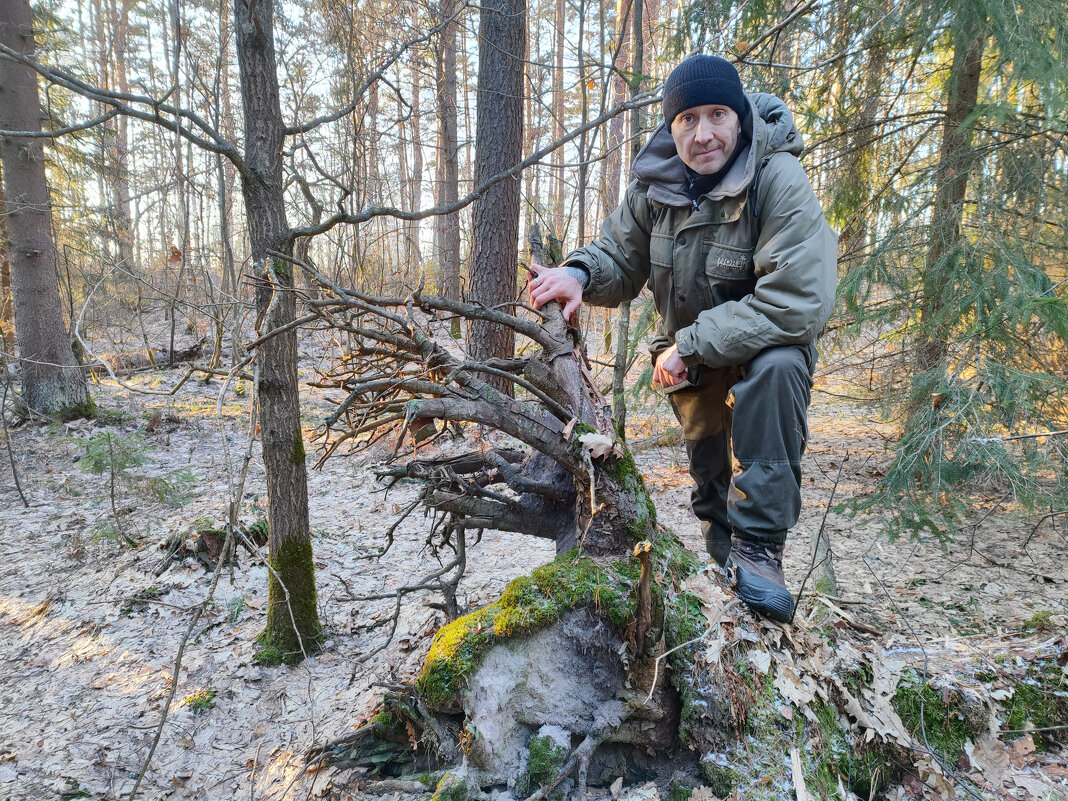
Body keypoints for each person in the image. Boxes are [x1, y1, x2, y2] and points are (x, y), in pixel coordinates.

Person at [528, 55, 837, 623]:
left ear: (739, 116)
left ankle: (760, 554)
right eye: (687, 119)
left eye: (717, 114)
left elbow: (798, 300)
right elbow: (621, 255)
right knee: (708, 474)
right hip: (693, 361)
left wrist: (691, 342)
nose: (704, 134)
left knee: (776, 370)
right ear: (671, 128)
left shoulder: (777, 178)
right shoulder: (658, 184)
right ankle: (727, 569)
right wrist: (577, 274)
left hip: (758, 349)